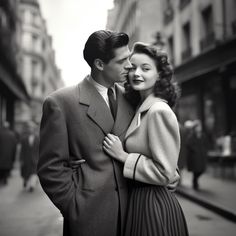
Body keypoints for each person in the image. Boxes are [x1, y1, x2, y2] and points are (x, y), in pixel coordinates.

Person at [37, 30, 135, 236]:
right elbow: (50, 168)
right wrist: (75, 206)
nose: (130, 65)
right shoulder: (61, 103)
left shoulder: (133, 98)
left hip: (133, 217)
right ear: (99, 64)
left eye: (130, 58)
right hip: (90, 220)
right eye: (122, 60)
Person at [103, 42, 189, 236]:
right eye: (132, 67)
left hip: (153, 204)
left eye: (146, 68)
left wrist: (123, 156)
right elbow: (169, 168)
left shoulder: (158, 111)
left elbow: (164, 172)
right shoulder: (140, 108)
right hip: (139, 200)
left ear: (159, 75)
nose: (136, 73)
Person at [186, 119, 208, 190]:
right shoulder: (191, 136)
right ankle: (195, 182)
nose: (199, 128)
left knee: (201, 170)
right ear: (194, 128)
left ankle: (195, 180)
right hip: (195, 156)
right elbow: (188, 144)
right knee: (196, 170)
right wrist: (194, 150)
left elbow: (206, 144)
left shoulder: (203, 135)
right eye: (197, 127)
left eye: (200, 127)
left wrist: (204, 151)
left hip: (201, 156)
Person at [20, 122, 39, 192]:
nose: (30, 130)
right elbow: (22, 150)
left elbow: (40, 150)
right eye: (29, 128)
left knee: (34, 173)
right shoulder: (24, 139)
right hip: (26, 159)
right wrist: (21, 159)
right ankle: (25, 180)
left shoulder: (38, 138)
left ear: (34, 129)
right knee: (26, 172)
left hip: (35, 159)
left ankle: (32, 186)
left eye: (32, 128)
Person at [0, 121, 17, 185]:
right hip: (8, 156)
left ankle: (2, 179)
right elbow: (14, 147)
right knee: (6, 168)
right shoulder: (12, 134)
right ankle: (5, 179)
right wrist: (13, 157)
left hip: (1, 155)